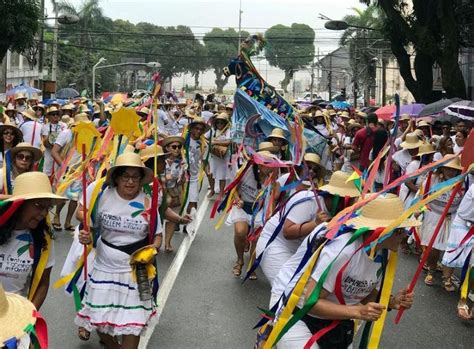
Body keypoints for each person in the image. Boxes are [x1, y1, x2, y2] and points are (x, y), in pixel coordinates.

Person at [275, 194, 419, 348]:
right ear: (382, 231)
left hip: (337, 321)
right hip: (300, 316)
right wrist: (357, 312)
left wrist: (391, 301)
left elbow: (364, 292)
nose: (405, 235)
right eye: (400, 230)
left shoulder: (383, 252)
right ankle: (272, 332)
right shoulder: (343, 251)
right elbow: (312, 302)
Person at [75, 153, 162, 349]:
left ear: (141, 180)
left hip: (137, 274)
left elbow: (158, 236)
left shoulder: (149, 201)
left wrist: (152, 250)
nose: (130, 182)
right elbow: (84, 219)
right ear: (117, 178)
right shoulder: (101, 196)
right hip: (104, 271)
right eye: (126, 176)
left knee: (134, 326)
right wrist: (86, 235)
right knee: (101, 326)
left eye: (135, 177)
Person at [256, 171, 360, 286]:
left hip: (301, 251)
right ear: (341, 198)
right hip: (276, 245)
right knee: (284, 289)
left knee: (301, 292)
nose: (353, 204)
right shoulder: (308, 199)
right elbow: (287, 232)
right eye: (352, 199)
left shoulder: (339, 213)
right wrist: (315, 224)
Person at [0, 172, 65, 309]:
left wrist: (30, 317)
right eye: (38, 205)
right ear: (20, 204)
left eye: (47, 208)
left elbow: (43, 284)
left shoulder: (43, 240)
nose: (43, 213)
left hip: (16, 314)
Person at [228, 150, 278, 279]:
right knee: (240, 232)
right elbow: (233, 187)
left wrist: (270, 213)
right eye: (268, 164)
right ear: (260, 165)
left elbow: (274, 197)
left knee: (257, 238)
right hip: (243, 206)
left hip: (260, 209)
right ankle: (239, 261)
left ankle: (251, 265)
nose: (271, 167)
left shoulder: (273, 177)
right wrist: (238, 199)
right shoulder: (246, 170)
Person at [421, 156, 464, 289]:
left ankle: (447, 277)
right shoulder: (433, 179)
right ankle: (431, 270)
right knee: (433, 247)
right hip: (433, 216)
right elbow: (423, 196)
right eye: (448, 168)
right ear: (442, 168)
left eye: (453, 169)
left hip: (452, 218)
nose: (450, 172)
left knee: (449, 248)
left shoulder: (461, 182)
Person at [51, 113, 89, 231]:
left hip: (80, 171)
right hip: (65, 170)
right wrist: (64, 166)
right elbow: (54, 151)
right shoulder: (66, 134)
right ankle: (56, 216)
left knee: (74, 198)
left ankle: (67, 221)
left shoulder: (90, 135)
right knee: (61, 196)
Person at [441, 184, 474, 320]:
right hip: (464, 223)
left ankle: (466, 295)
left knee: (473, 263)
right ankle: (447, 280)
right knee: (454, 254)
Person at [161, 136, 187, 252]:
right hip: (162, 193)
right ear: (167, 148)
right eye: (174, 147)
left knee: (172, 219)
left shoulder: (182, 162)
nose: (177, 149)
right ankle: (156, 241)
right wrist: (166, 178)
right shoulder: (160, 161)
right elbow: (155, 175)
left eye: (179, 147)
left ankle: (167, 243)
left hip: (175, 193)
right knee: (159, 218)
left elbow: (185, 176)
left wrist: (183, 179)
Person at [186, 116, 210, 216]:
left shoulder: (204, 144)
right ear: (191, 128)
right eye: (196, 128)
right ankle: (176, 222)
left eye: (201, 129)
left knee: (193, 200)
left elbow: (204, 161)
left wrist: (209, 173)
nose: (199, 131)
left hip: (194, 177)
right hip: (180, 176)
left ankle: (189, 223)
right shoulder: (183, 138)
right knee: (178, 202)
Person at [208, 113, 231, 198]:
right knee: (210, 174)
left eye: (221, 122)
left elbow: (228, 142)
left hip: (223, 157)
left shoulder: (228, 131)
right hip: (214, 157)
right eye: (218, 122)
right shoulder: (213, 131)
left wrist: (215, 142)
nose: (219, 124)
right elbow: (207, 139)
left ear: (225, 123)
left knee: (222, 176)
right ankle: (212, 190)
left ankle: (221, 193)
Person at [41, 106, 67, 178]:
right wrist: (54, 144)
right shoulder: (45, 127)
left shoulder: (64, 125)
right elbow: (45, 143)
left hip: (61, 153)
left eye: (57, 114)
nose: (55, 116)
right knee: (47, 173)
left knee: (60, 173)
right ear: (49, 116)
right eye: (53, 114)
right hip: (49, 153)